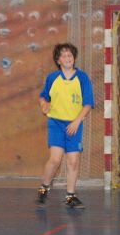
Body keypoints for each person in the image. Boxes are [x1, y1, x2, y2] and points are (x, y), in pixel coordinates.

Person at [37, 42, 94, 208]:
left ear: (74, 58)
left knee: (73, 161)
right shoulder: (52, 78)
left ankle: (70, 196)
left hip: (74, 124)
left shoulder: (82, 78)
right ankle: (44, 187)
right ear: (58, 60)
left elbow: (88, 104)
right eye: (64, 55)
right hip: (56, 122)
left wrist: (77, 121)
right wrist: (43, 104)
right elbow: (43, 97)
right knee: (55, 160)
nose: (68, 58)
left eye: (70, 55)